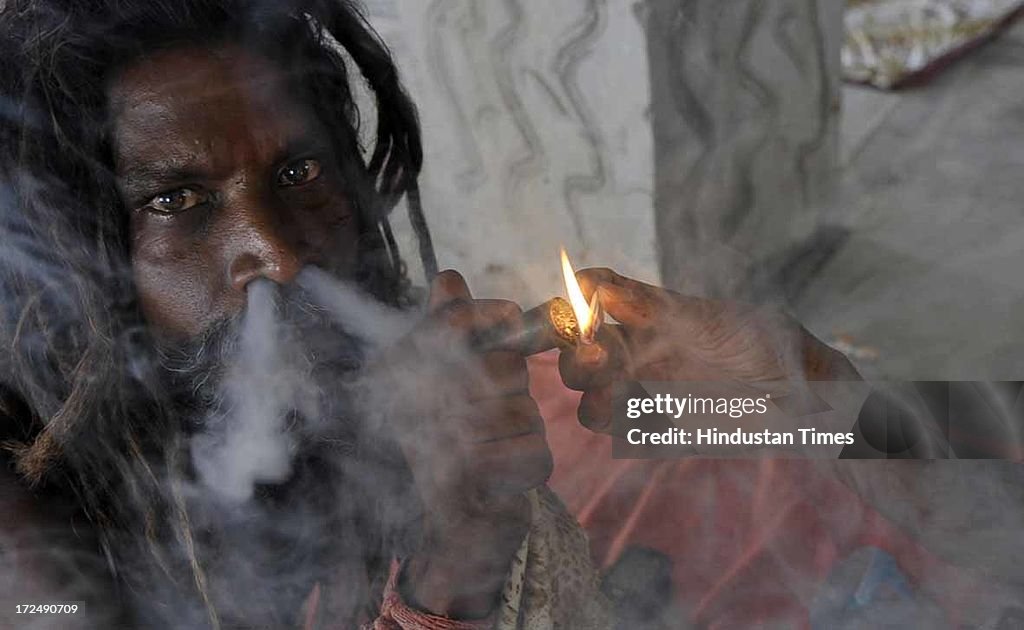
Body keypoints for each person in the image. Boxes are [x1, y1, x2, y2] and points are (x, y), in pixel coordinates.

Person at [0, 1, 608, 627]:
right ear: (70, 245)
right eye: (176, 199)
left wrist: (473, 524)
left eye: (300, 172)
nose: (279, 257)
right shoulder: (23, 534)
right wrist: (455, 561)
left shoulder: (393, 412)